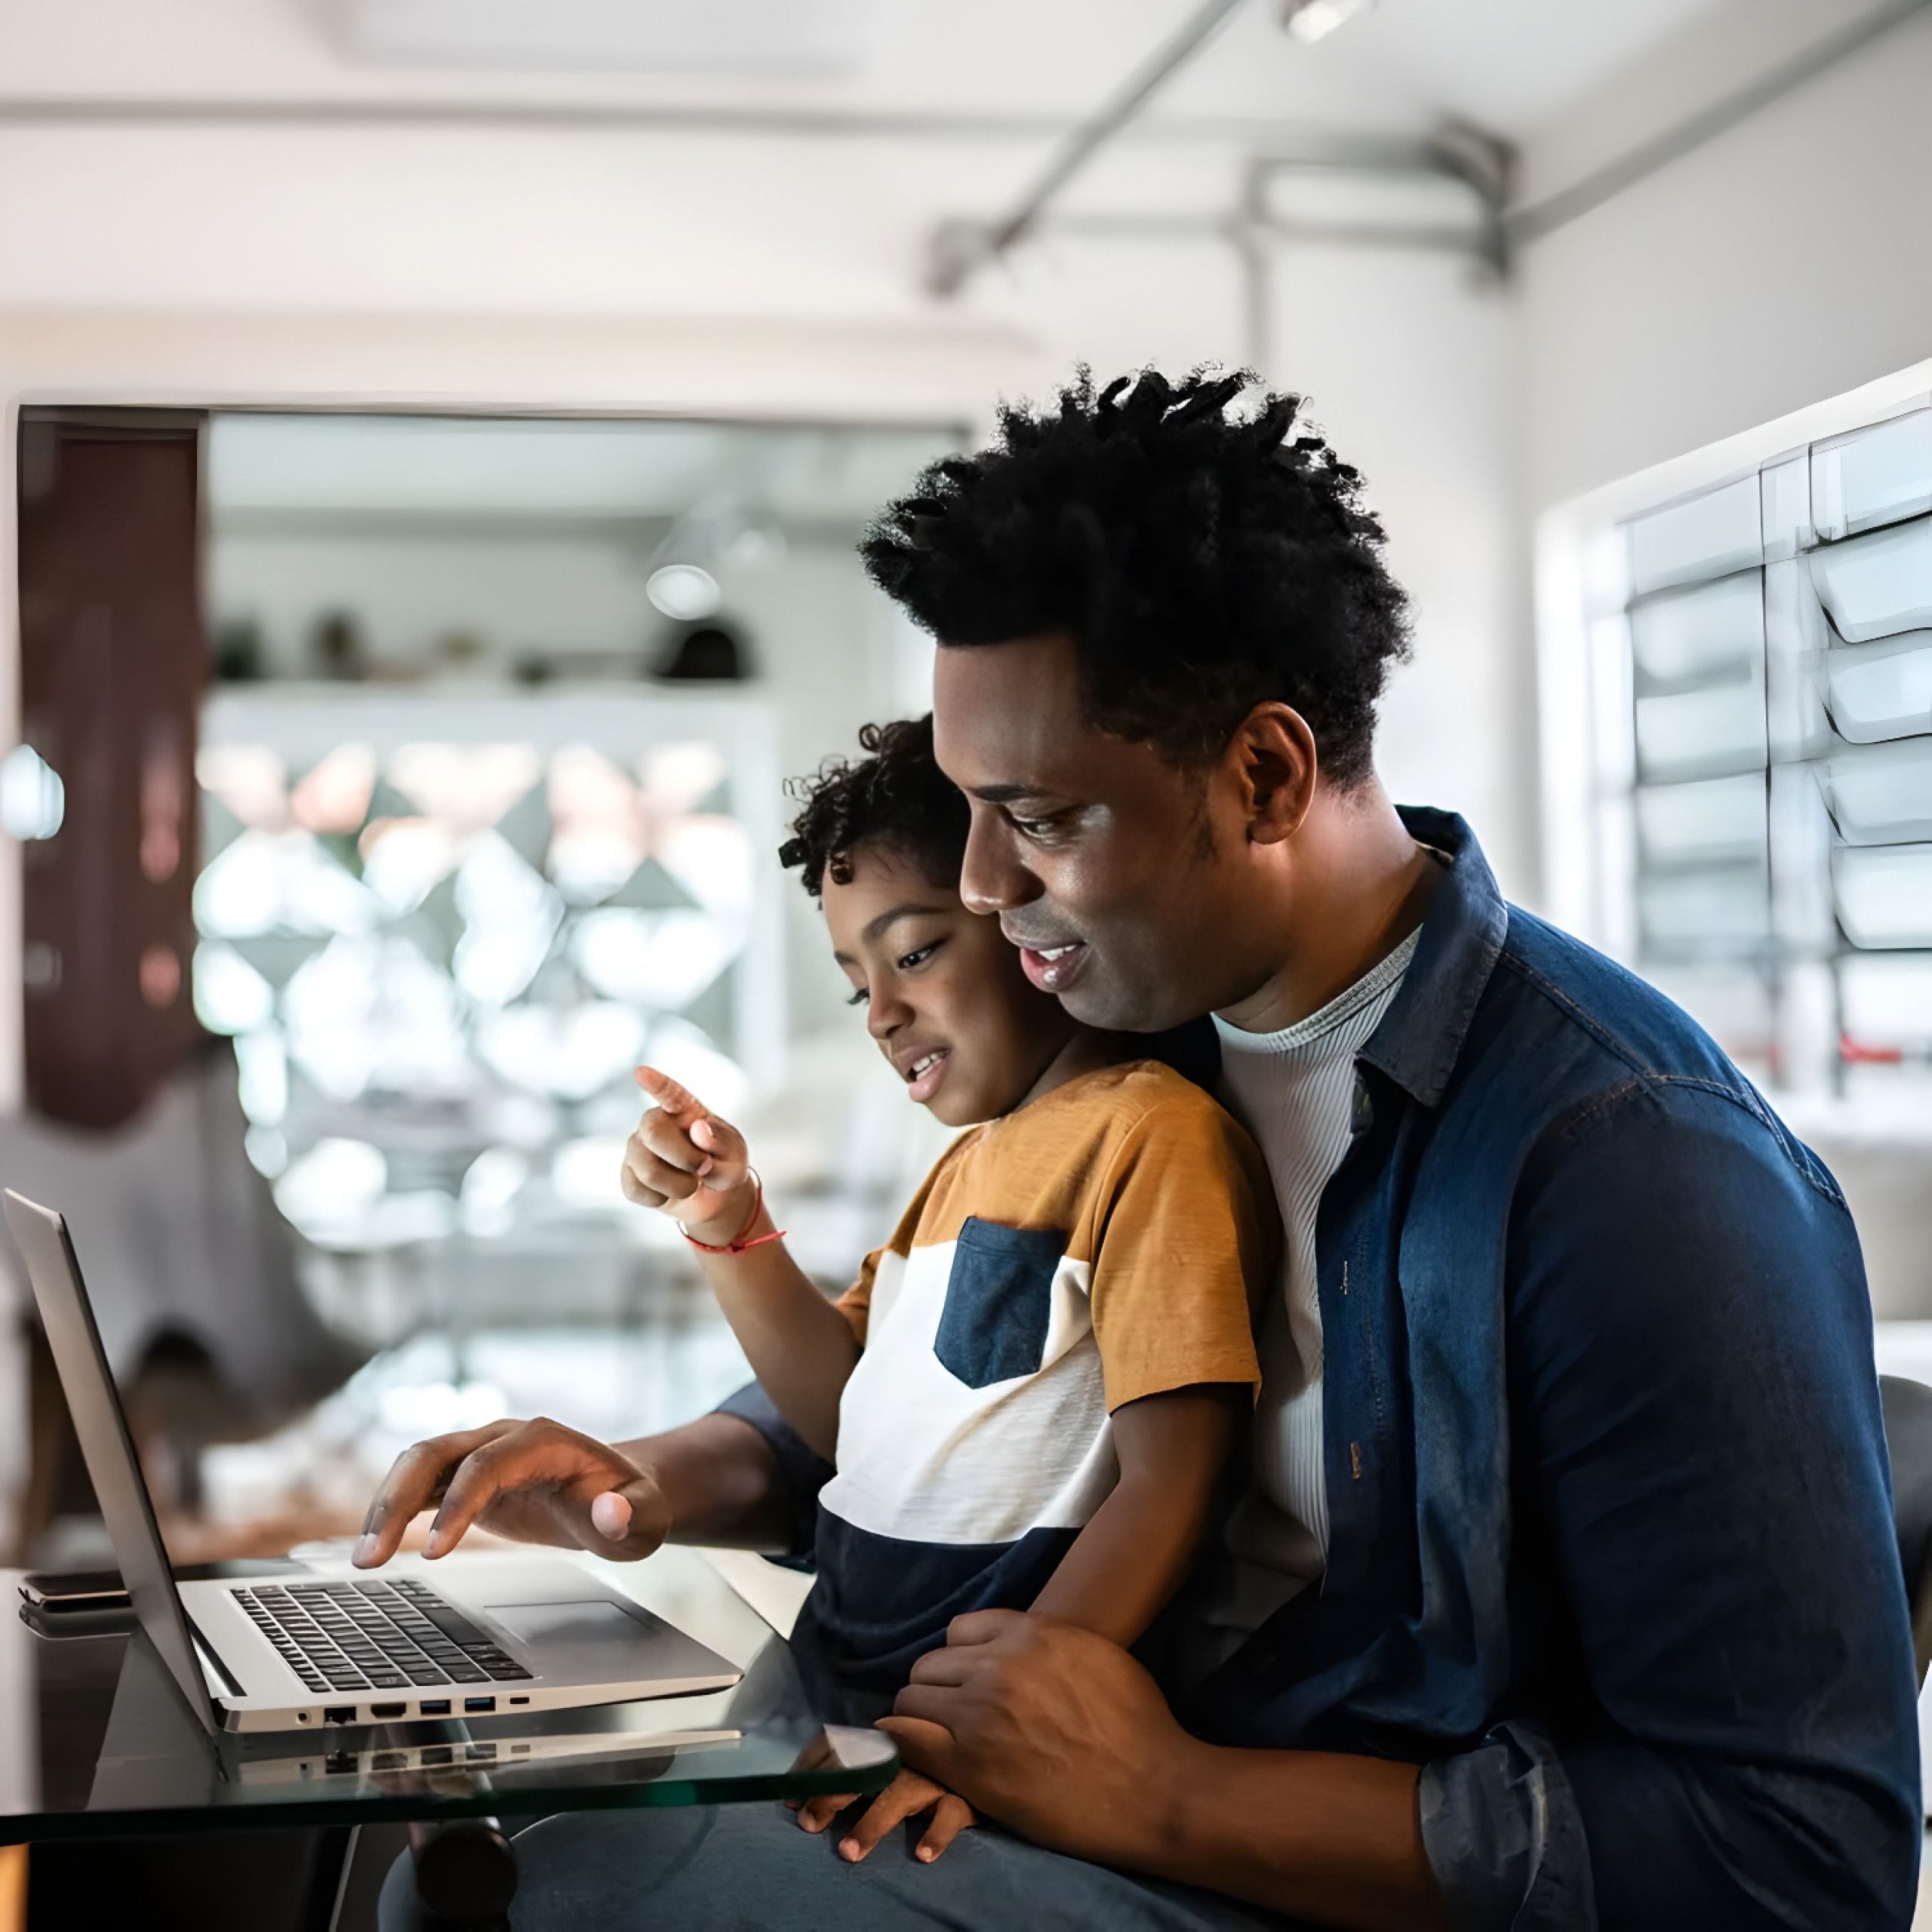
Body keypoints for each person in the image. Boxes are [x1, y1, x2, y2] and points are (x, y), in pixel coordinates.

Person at [364, 370, 1919, 1930]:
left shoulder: (1630, 1168)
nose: (978, 889)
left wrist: (1164, 1791)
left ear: (1260, 775)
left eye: (1033, 816)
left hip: (1255, 1852)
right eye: (969, 810)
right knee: (457, 1842)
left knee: (577, 1896)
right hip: (1053, 1778)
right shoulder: (1120, 1031)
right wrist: (644, 1475)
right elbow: (941, 1389)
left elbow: (1795, 1853)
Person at [615, 715, 1275, 1861]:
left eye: (914, 953)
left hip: (950, 1751)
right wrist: (731, 1228)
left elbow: (1175, 1481)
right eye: (853, 982)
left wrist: (981, 1733)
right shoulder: (967, 1167)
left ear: (1029, 919)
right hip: (831, 1685)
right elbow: (844, 1421)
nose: (879, 1012)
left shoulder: (1152, 1136)